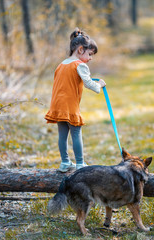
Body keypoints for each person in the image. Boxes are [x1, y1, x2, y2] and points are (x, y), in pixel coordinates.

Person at [45, 28, 106, 172]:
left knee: (62, 134)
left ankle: (65, 162)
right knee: (76, 132)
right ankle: (80, 163)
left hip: (57, 104)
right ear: (80, 50)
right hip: (70, 105)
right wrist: (99, 85)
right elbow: (88, 82)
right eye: (90, 54)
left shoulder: (61, 64)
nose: (90, 58)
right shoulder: (80, 65)